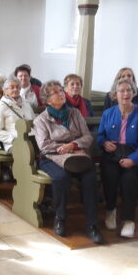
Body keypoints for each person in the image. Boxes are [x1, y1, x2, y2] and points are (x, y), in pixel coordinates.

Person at [33, 80, 103, 244]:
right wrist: (67, 147)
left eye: (60, 91)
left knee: (90, 179)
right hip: (51, 158)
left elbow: (87, 136)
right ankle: (60, 218)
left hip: (78, 157)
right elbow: (44, 145)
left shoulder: (75, 114)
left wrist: (74, 145)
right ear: (47, 100)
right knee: (61, 178)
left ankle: (92, 225)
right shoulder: (41, 120)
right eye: (56, 92)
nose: (61, 94)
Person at [97, 79, 138, 239]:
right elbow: (100, 136)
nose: (125, 94)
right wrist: (105, 143)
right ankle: (111, 210)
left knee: (129, 181)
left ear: (134, 93)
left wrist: (133, 160)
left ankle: (129, 220)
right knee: (110, 177)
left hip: (133, 154)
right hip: (111, 154)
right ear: (115, 94)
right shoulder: (108, 113)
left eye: (129, 90)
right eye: (121, 91)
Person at [0, 76, 36, 153]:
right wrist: (14, 139)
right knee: (28, 151)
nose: (16, 89)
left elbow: (34, 122)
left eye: (18, 87)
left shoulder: (26, 103)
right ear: (5, 91)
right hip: (14, 143)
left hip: (32, 139)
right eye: (12, 87)